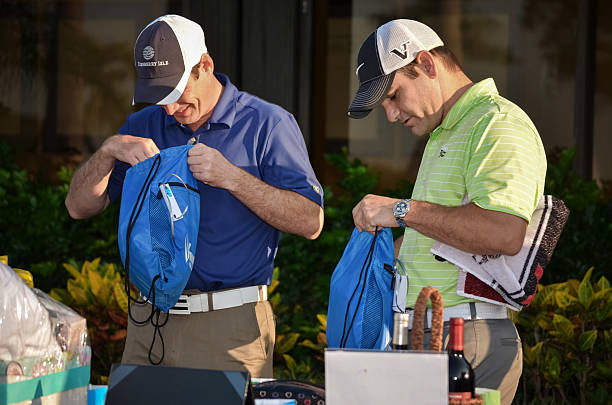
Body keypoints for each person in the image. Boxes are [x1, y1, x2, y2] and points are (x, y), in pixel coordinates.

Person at [64, 14, 324, 378]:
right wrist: (108, 151)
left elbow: (311, 220)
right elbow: (77, 207)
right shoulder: (142, 126)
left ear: (205, 66)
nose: (169, 109)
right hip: (147, 322)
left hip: (229, 327)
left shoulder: (268, 124)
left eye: (175, 93)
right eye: (159, 97)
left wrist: (233, 177)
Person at [348, 19, 546, 405]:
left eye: (393, 95)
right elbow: (443, 232)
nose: (390, 115)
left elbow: (504, 232)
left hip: (465, 339)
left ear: (425, 63)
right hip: (430, 335)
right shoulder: (446, 128)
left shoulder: (496, 123)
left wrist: (402, 210)